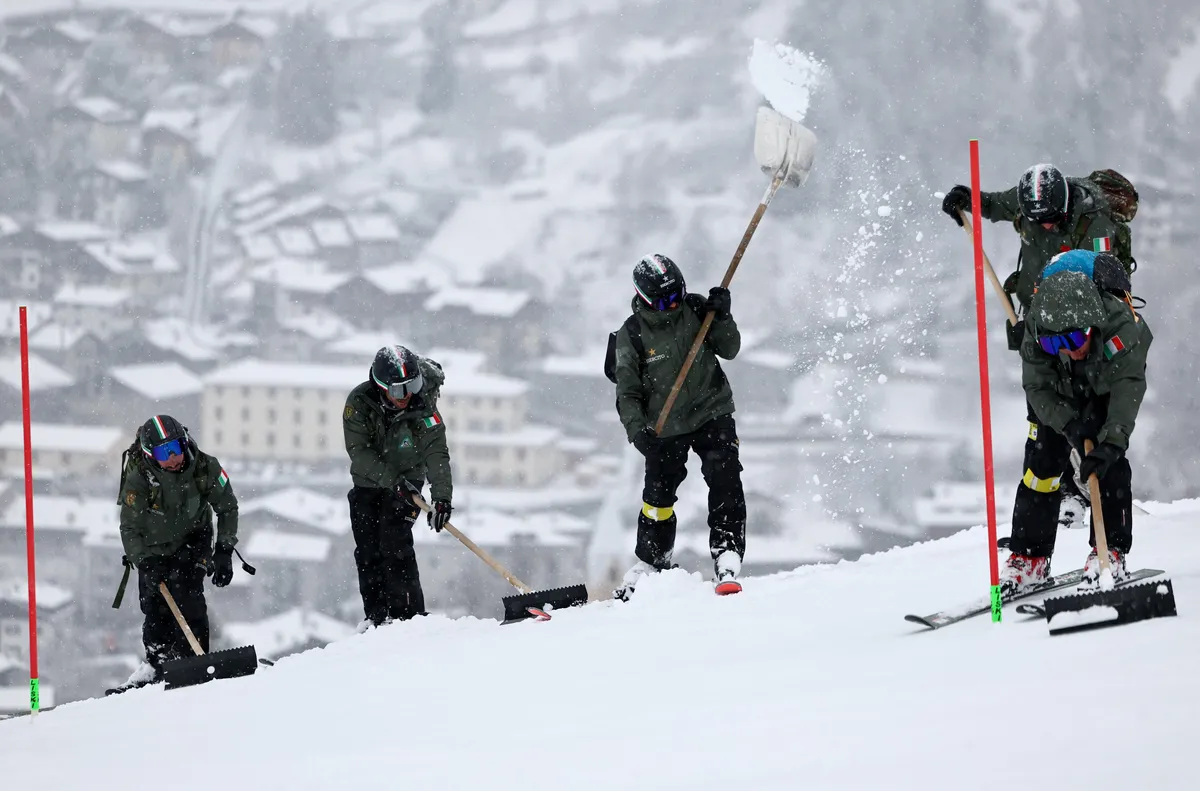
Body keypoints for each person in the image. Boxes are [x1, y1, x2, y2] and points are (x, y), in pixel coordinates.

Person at [941, 163, 1136, 531]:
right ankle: (1057, 498)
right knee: (1044, 420)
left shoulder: (1094, 227)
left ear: (1064, 206)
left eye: (1051, 220)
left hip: (1083, 336)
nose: (1045, 226)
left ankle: (1090, 497)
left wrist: (1075, 337)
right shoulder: (1030, 209)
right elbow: (997, 205)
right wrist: (969, 200)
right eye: (1037, 220)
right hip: (1040, 328)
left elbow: (1106, 291)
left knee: (1087, 418)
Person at [1002, 266, 1151, 592]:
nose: (1069, 349)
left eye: (1074, 338)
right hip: (1059, 393)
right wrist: (1067, 424)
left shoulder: (1123, 331)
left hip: (1103, 384)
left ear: (1092, 326)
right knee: (1039, 467)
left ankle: (1109, 553)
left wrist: (1111, 442)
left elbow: (1127, 389)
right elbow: (1037, 387)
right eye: (1058, 344)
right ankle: (1030, 559)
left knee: (1107, 464)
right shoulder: (1037, 333)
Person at [610, 253, 746, 600]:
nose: (674, 305)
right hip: (664, 425)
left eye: (677, 296)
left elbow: (730, 348)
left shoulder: (699, 310)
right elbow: (627, 392)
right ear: (644, 298)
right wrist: (637, 431)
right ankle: (652, 562)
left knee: (725, 477)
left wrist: (723, 316)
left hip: (711, 410)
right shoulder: (631, 335)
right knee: (657, 498)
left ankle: (727, 552)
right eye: (665, 300)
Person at [113, 415, 240, 692]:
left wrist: (224, 550)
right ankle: (157, 666)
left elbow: (227, 507)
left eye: (175, 448)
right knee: (155, 608)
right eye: (163, 453)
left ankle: (194, 659)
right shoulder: (140, 478)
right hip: (153, 549)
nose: (172, 458)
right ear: (150, 455)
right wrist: (144, 562)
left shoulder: (205, 467)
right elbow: (129, 527)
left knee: (189, 595)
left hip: (194, 539)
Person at [343, 345, 452, 627]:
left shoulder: (423, 402)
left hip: (410, 475)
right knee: (368, 550)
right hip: (369, 481)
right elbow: (360, 453)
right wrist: (393, 482)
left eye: (412, 386)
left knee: (395, 541)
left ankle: (409, 617)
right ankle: (378, 618)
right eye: (399, 391)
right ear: (380, 388)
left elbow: (436, 451)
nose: (407, 397)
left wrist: (441, 498)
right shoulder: (359, 403)